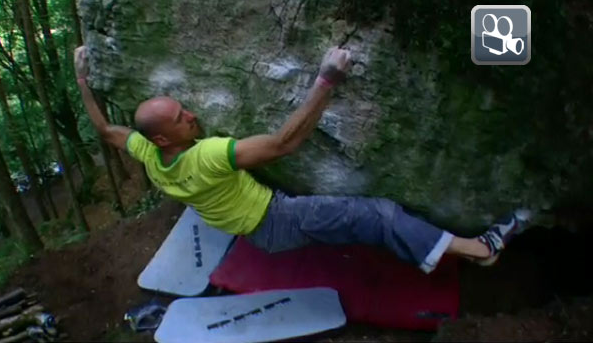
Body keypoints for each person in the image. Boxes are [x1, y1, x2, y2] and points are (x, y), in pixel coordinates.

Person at [74, 46, 530, 274]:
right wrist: (326, 79)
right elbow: (282, 144)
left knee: (353, 219)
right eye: (180, 117)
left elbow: (106, 130)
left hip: (258, 230)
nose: (191, 115)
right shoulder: (209, 156)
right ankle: (482, 250)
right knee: (376, 215)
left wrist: (81, 78)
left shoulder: (149, 154)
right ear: (162, 136)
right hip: (277, 220)